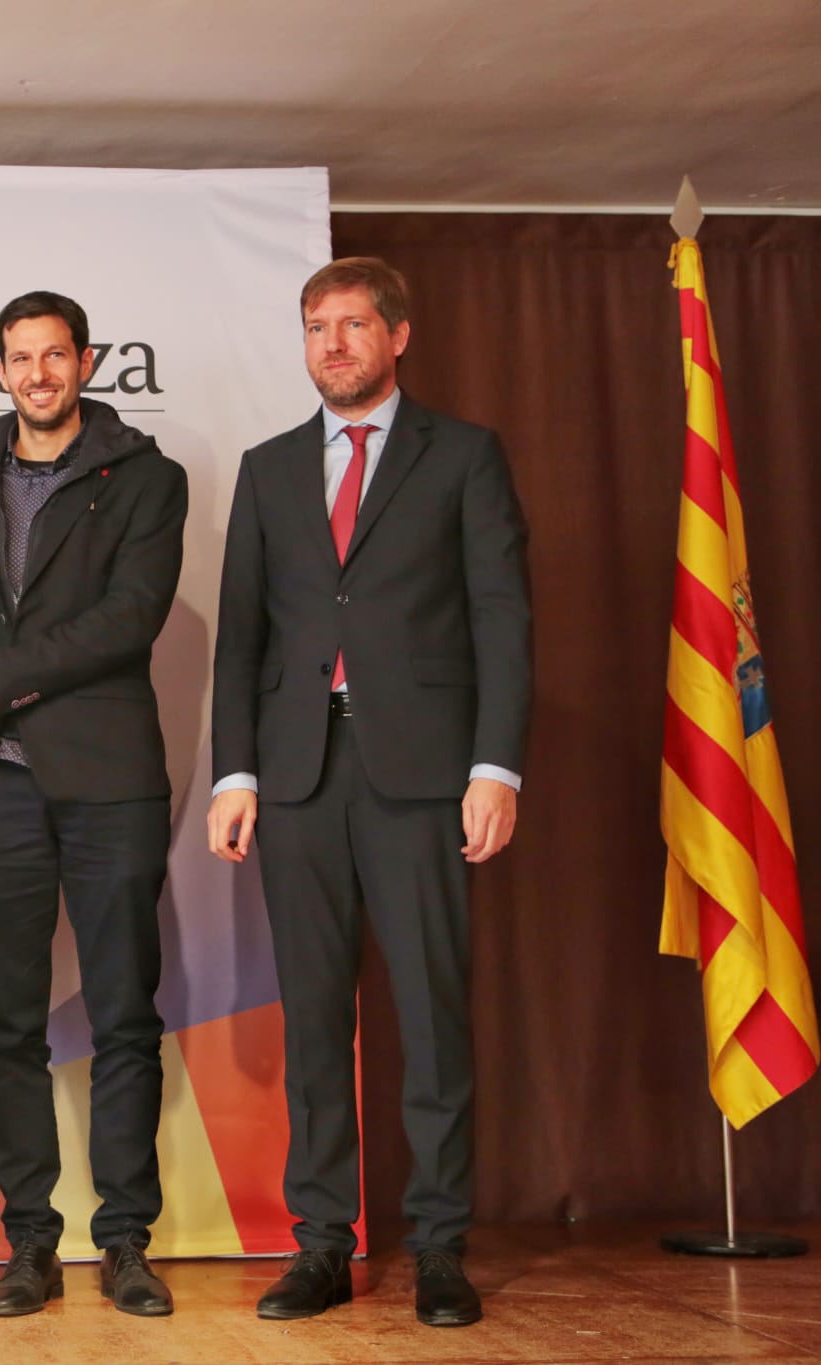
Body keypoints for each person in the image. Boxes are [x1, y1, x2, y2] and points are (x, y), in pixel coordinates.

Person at [207, 257, 530, 1328]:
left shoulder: (463, 457)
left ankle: (438, 1246)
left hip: (424, 776)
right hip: (296, 775)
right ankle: (319, 1246)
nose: (331, 343)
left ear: (396, 336)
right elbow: (242, 633)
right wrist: (235, 770)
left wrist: (494, 767)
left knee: (432, 1014)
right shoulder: (265, 468)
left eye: (351, 325)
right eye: (314, 326)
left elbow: (500, 620)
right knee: (310, 1019)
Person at [0, 290, 189, 1319]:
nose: (35, 374)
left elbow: (130, 620)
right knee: (10, 1027)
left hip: (108, 779)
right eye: (17, 358)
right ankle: (28, 1242)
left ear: (85, 362)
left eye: (53, 356)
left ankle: (125, 1240)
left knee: (124, 1015)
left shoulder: (145, 479)